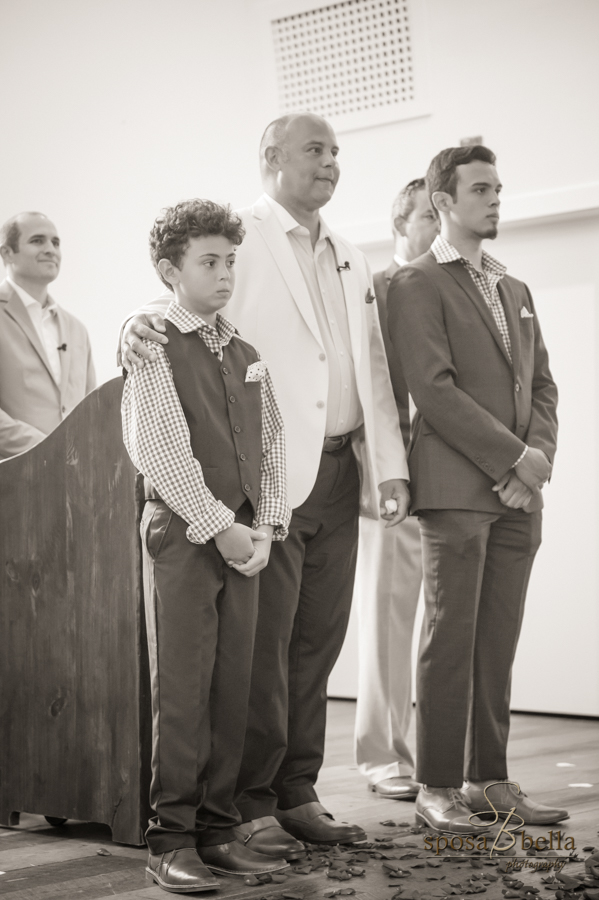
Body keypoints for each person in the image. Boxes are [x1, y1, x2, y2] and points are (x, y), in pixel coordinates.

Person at [120, 113, 409, 856]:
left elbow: (344, 381)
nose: (331, 162)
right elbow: (166, 345)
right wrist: (133, 324)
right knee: (223, 673)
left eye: (336, 152)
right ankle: (211, 818)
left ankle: (277, 799)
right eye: (316, 149)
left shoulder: (343, 254)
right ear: (271, 157)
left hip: (321, 480)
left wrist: (376, 471)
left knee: (305, 649)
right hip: (225, 506)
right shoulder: (231, 246)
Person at [387, 145, 566, 834]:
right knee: (447, 637)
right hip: (458, 489)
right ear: (442, 202)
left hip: (520, 496)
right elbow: (432, 391)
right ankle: (434, 785)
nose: (494, 199)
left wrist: (537, 457)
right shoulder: (412, 283)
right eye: (480, 189)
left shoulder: (513, 289)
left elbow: (542, 386)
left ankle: (487, 780)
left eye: (497, 188)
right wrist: (512, 458)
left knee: (497, 640)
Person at [122, 199, 292, 892]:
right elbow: (157, 447)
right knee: (184, 691)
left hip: (246, 538)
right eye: (208, 262)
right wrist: (218, 525)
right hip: (186, 534)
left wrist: (268, 526)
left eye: (230, 261)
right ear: (170, 270)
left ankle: (220, 829)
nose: (224, 274)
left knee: (234, 687)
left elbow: (274, 443)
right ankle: (171, 836)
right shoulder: (153, 343)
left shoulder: (247, 351)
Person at [354, 178, 439, 800]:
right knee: (389, 616)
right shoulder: (375, 291)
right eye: (428, 215)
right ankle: (383, 755)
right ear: (400, 223)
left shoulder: (461, 286)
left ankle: (446, 756)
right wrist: (384, 475)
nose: (439, 225)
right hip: (395, 481)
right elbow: (369, 394)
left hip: (457, 483)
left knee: (448, 623)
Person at [0, 211, 95, 459]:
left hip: (73, 479)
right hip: (11, 477)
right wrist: (48, 449)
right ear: (7, 253)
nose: (50, 249)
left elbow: (91, 410)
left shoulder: (77, 330)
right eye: (37, 240)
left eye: (55, 242)